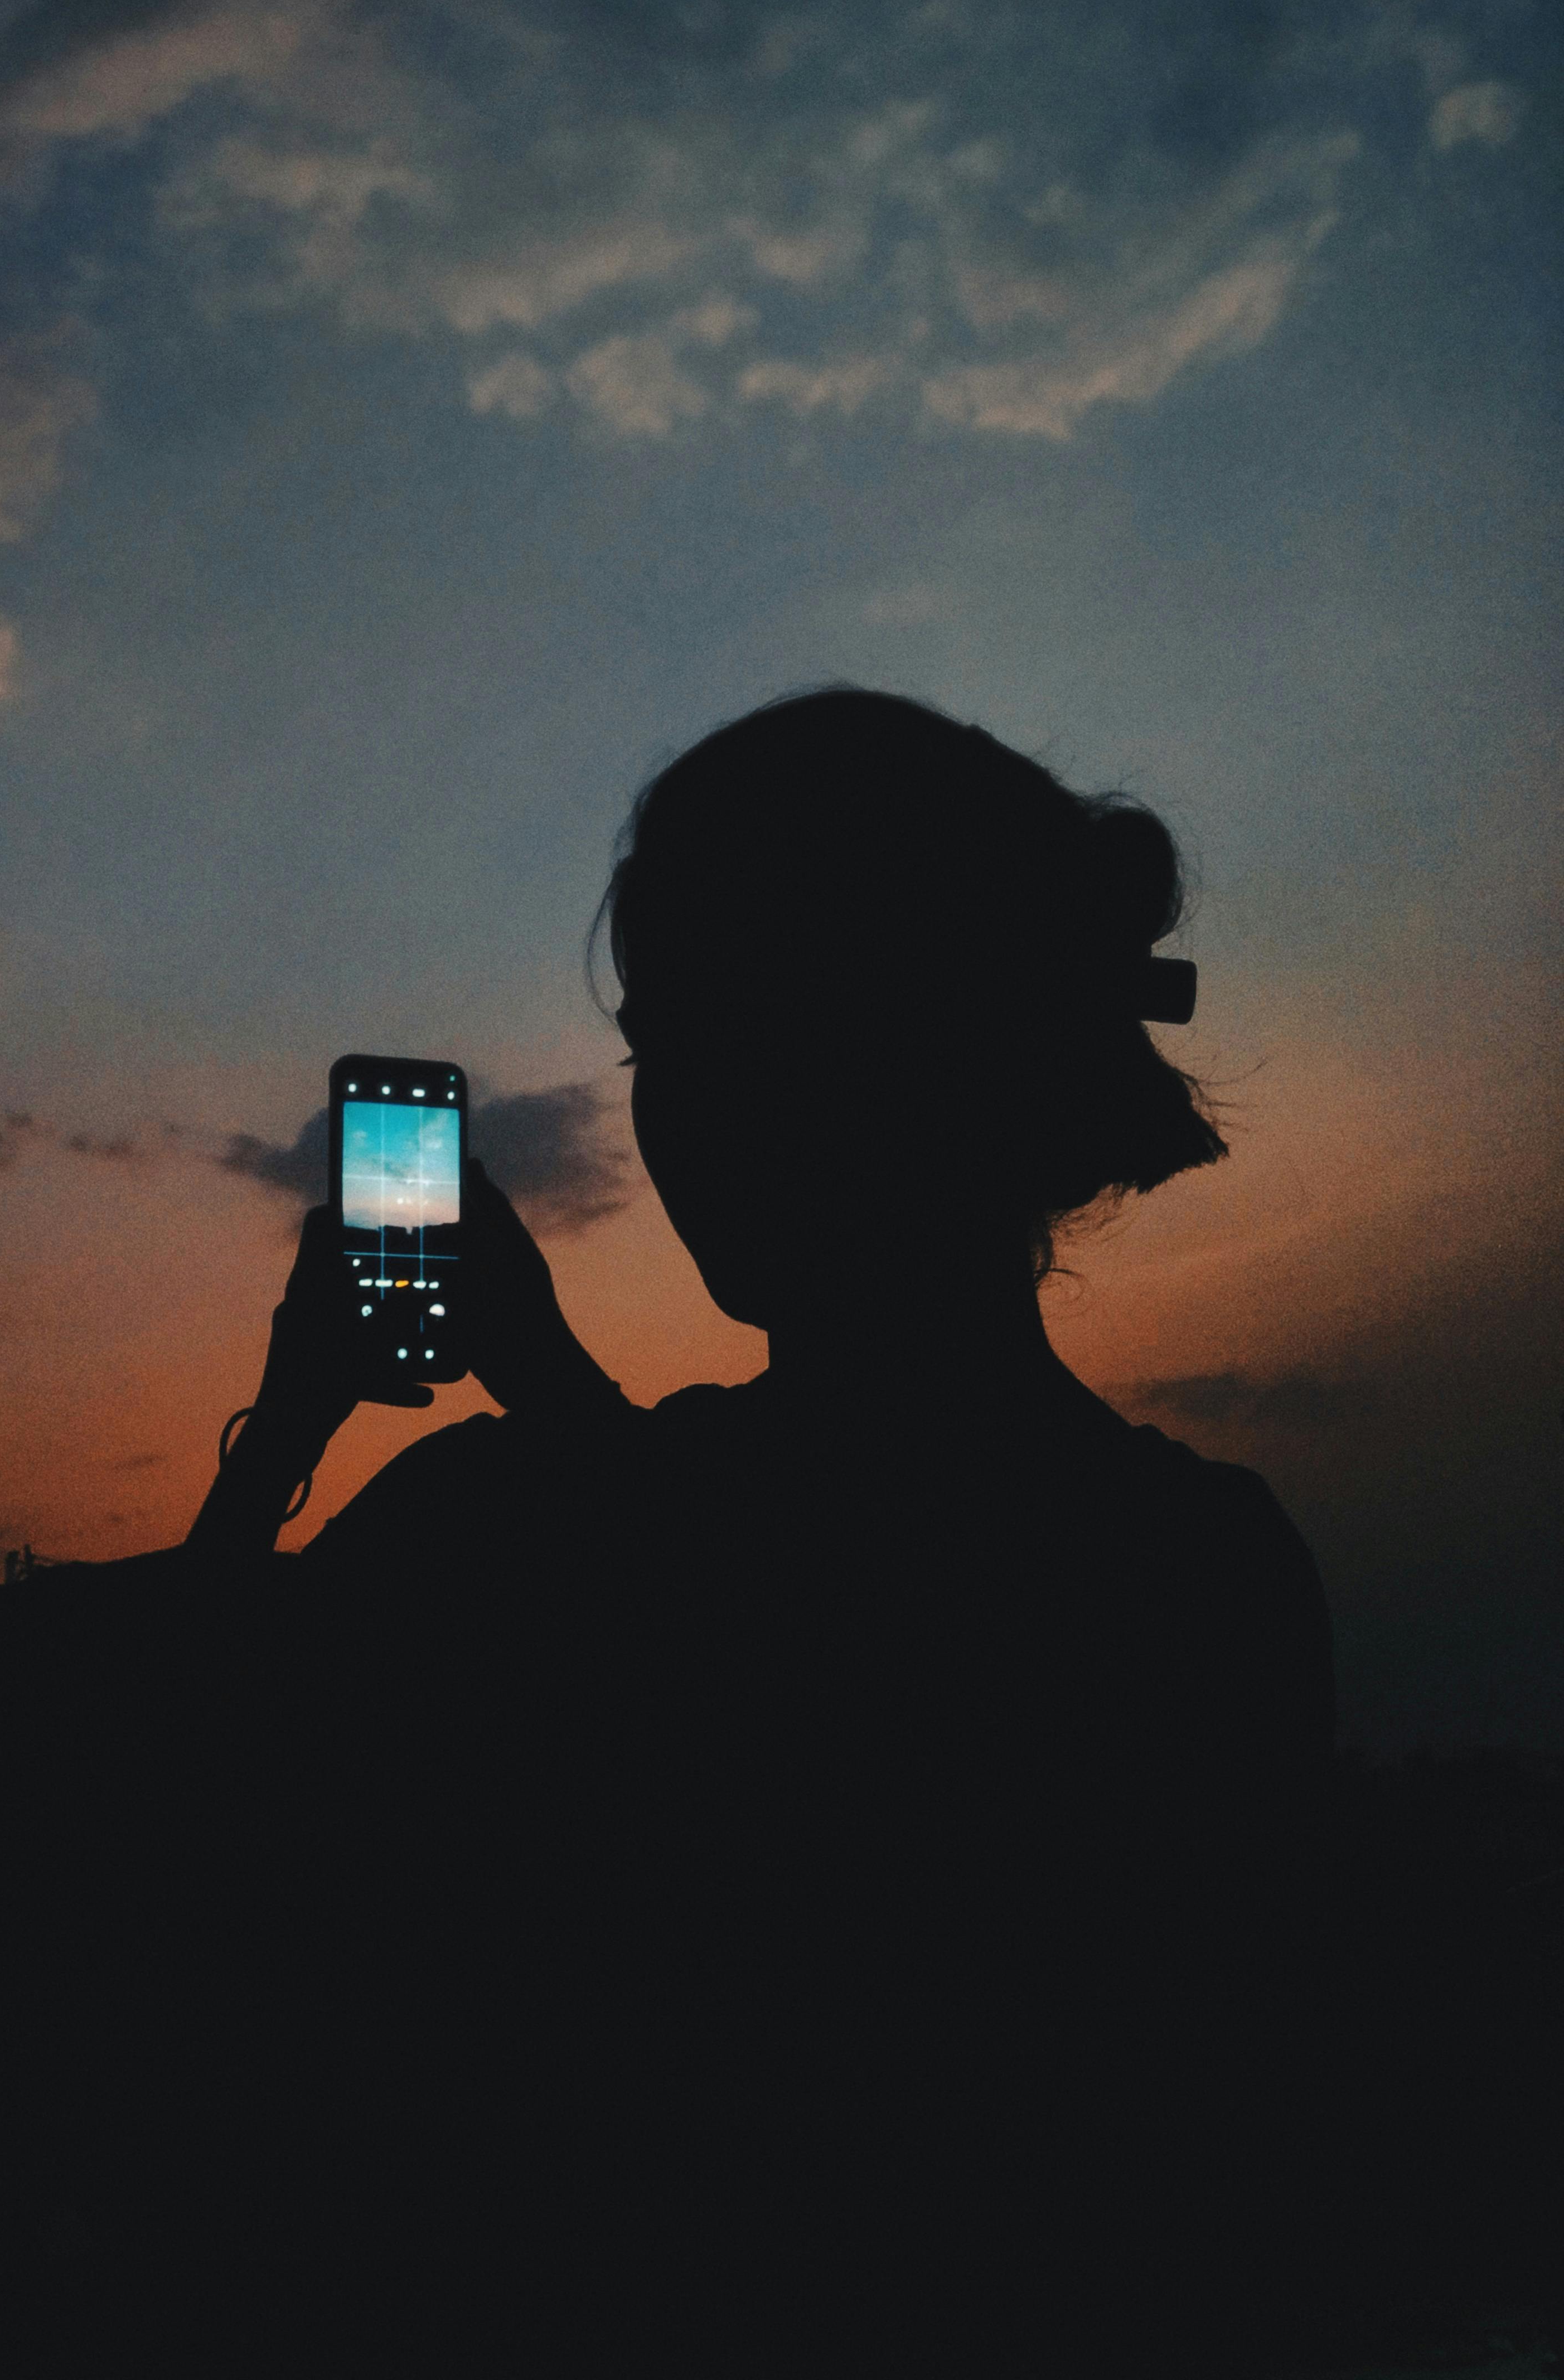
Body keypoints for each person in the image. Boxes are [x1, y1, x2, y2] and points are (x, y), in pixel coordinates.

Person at [186, 688, 1334, 2374]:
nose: (674, 1112)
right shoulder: (1217, 1570)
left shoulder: (513, 1531)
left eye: (695, 1037)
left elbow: (171, 1803)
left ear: (880, 1052)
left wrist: (292, 1425)